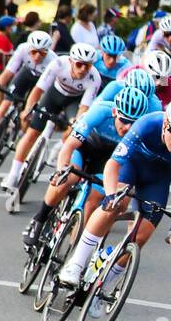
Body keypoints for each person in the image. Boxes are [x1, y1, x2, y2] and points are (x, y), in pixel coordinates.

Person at [57, 97, 171, 314]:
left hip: (157, 178)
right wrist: (110, 196)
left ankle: (105, 287)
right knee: (117, 204)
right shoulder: (148, 123)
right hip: (132, 164)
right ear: (166, 124)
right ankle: (76, 264)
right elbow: (113, 165)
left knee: (141, 237)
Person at [23, 80, 159, 249]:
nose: (127, 127)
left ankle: (73, 251)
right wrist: (61, 170)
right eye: (124, 120)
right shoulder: (101, 111)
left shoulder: (141, 127)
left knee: (94, 200)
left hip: (108, 160)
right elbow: (70, 145)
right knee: (68, 178)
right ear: (116, 112)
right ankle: (40, 219)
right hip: (86, 148)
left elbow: (132, 166)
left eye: (133, 122)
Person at [1, 43, 103, 191]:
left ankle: (58, 153)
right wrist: (29, 109)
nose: (83, 69)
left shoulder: (94, 78)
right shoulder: (58, 64)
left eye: (87, 66)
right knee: (32, 133)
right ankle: (13, 174)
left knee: (76, 129)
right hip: (53, 96)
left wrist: (75, 123)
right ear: (71, 61)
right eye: (80, 64)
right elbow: (38, 90)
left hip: (73, 102)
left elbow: (84, 108)